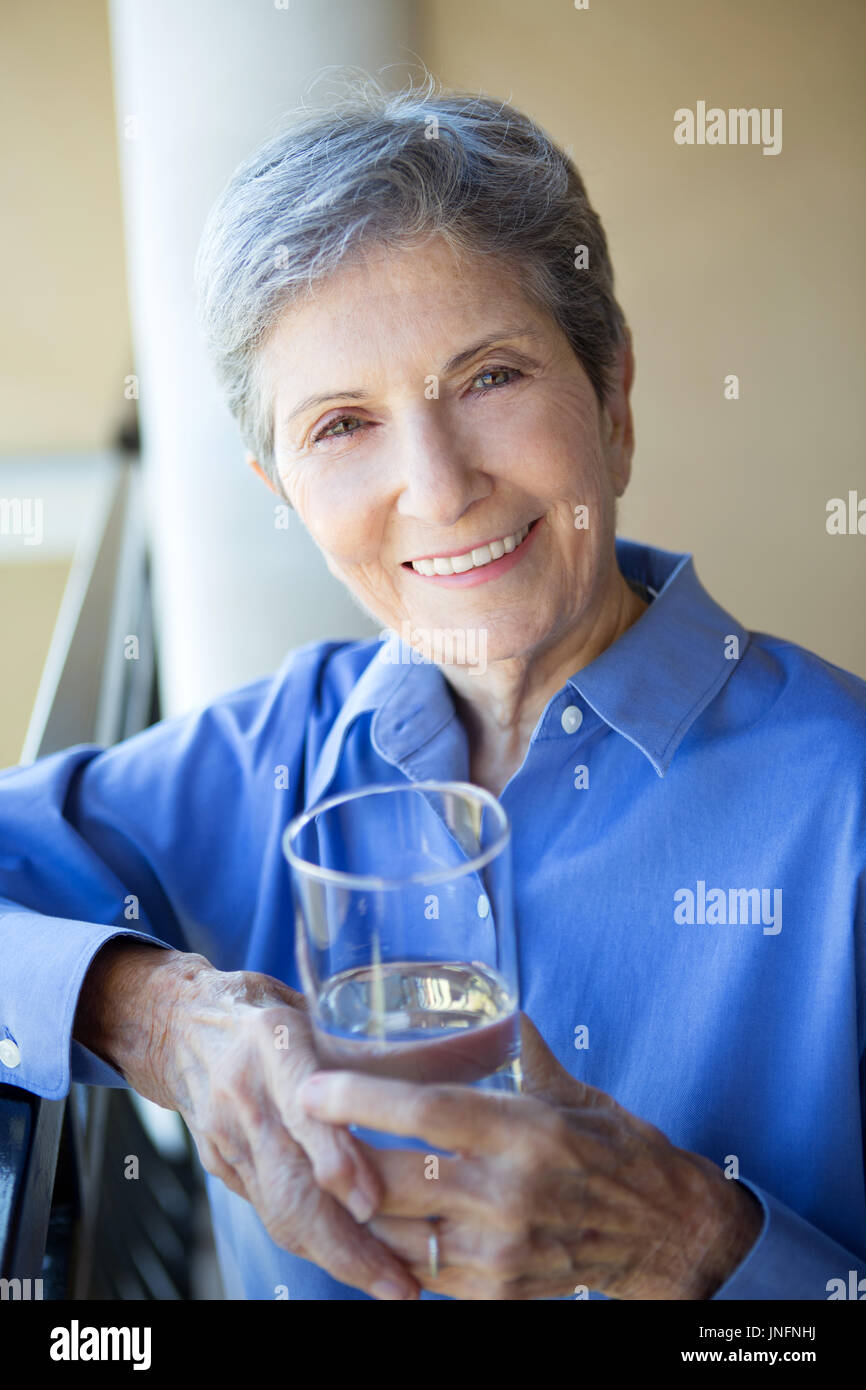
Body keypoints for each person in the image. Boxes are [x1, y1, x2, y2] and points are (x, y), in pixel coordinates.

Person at [1, 74, 864, 1302]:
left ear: (612, 394)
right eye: (342, 425)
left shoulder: (845, 802)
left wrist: (697, 1250)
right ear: (284, 490)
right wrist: (154, 1017)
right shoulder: (272, 755)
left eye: (489, 378)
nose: (440, 485)